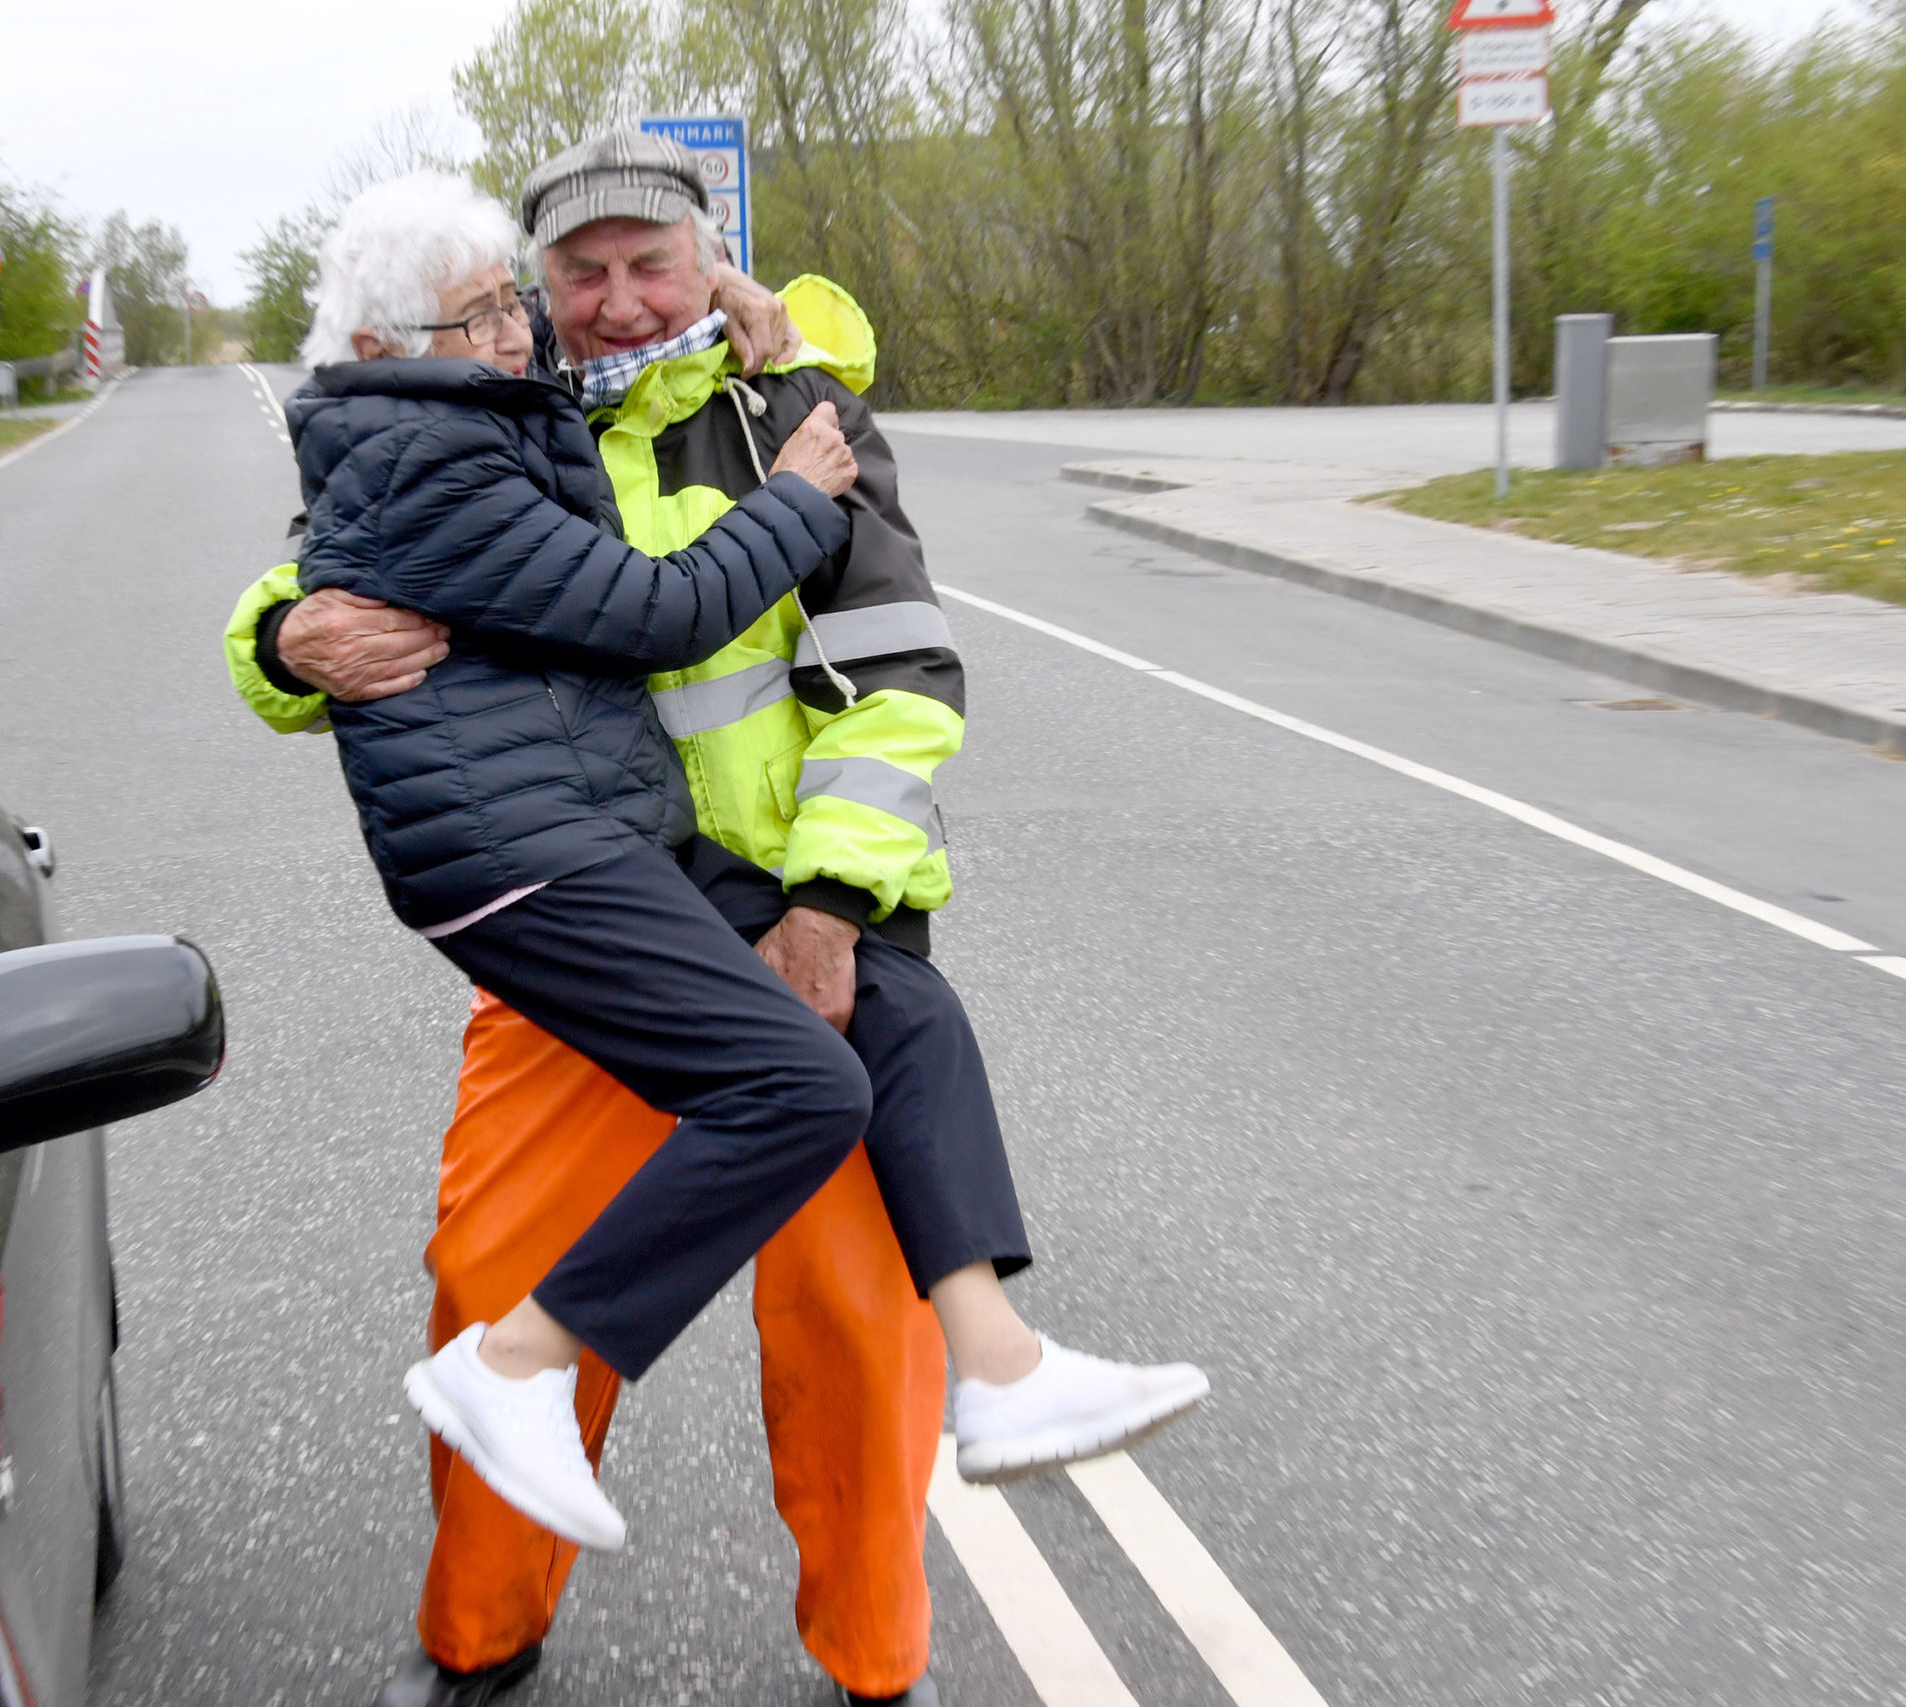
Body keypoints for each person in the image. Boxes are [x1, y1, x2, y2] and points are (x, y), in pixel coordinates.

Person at [228, 130, 1204, 1707]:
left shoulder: (794, 417)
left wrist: (829, 905)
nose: (617, 303)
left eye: (652, 265)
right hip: (591, 939)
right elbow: (319, 573)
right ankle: (478, 1642)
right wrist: (288, 641)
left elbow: (900, 680)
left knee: (853, 1334)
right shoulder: (490, 407)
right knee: (494, 1277)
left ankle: (878, 1667)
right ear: (529, 293)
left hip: (795, 927)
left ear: (710, 262)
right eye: (580, 274)